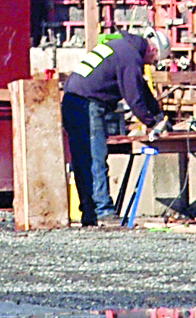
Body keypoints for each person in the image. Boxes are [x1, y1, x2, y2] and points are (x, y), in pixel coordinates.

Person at [61, 30, 170, 226]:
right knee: (95, 158)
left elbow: (141, 88)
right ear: (152, 49)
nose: (150, 65)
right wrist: (153, 124)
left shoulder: (120, 47)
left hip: (72, 99)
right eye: (153, 61)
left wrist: (159, 114)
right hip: (87, 104)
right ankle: (103, 211)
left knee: (82, 159)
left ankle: (89, 212)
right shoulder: (130, 57)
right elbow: (134, 98)